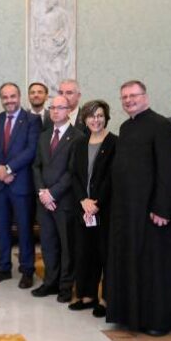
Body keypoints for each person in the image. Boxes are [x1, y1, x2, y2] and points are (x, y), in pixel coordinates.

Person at [107, 80, 171, 336]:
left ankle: (157, 319)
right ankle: (129, 314)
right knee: (132, 262)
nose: (129, 100)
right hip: (126, 211)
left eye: (133, 95)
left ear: (145, 96)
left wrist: (162, 208)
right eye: (124, 97)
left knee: (154, 266)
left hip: (152, 212)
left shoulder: (161, 126)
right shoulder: (125, 126)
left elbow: (168, 170)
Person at [0, 82, 40, 287]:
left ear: (19, 97)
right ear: (1, 99)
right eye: (5, 97)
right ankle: (4, 267)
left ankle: (27, 270)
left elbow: (31, 150)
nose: (9, 100)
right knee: (2, 229)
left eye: (12, 96)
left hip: (21, 184)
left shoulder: (32, 120)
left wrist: (8, 169)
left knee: (25, 229)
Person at [31, 96, 81, 302]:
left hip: (65, 201)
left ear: (68, 110)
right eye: (52, 108)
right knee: (48, 243)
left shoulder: (78, 137)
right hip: (44, 202)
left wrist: (53, 193)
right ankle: (50, 282)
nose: (55, 111)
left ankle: (66, 286)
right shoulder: (44, 136)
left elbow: (72, 171)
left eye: (60, 108)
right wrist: (42, 192)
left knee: (67, 245)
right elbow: (36, 166)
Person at [69, 100, 117, 316]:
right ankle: (87, 295)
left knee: (105, 254)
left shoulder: (115, 142)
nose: (95, 120)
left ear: (106, 117)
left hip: (105, 208)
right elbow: (75, 175)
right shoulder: (79, 143)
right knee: (84, 252)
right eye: (91, 116)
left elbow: (112, 177)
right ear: (84, 119)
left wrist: (96, 202)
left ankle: (106, 299)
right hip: (83, 208)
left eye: (99, 115)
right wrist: (83, 200)